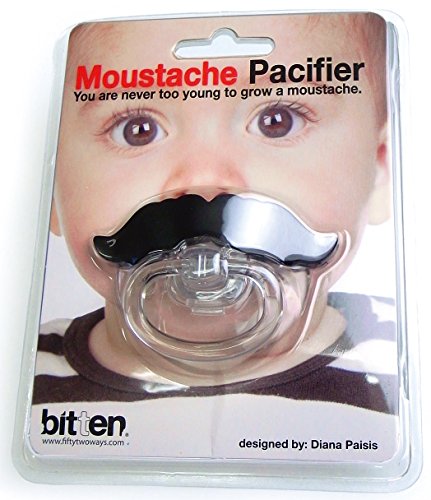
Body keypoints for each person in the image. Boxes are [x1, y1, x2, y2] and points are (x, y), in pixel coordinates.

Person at [33, 12, 397, 423]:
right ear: (55, 187)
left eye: (276, 122)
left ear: (380, 170)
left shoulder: (395, 364)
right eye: (137, 129)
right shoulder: (33, 379)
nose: (204, 180)